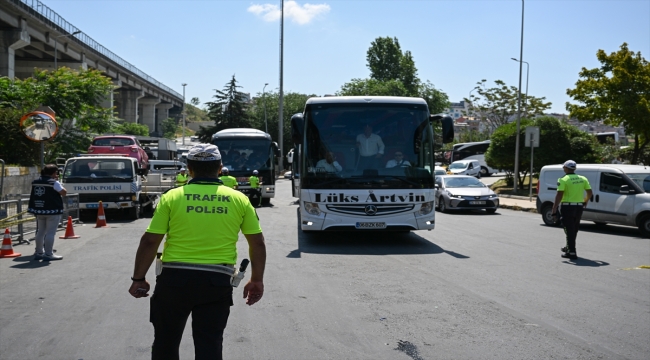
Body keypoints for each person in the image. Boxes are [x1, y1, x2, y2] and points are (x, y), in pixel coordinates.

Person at [128, 144, 266, 360]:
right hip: (217, 282)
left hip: (173, 281)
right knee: (209, 343)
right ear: (220, 168)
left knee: (165, 341)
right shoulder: (239, 199)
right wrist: (256, 279)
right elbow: (257, 243)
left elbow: (149, 241)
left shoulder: (172, 197)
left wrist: (138, 278)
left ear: (189, 169)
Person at [551, 160, 593, 260]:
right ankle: (569, 247)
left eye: (563, 167)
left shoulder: (563, 179)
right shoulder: (583, 178)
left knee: (568, 229)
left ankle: (572, 252)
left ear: (566, 168)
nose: (563, 168)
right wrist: (585, 201)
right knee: (574, 229)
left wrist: (554, 209)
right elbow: (590, 192)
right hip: (579, 207)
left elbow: (559, 195)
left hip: (567, 207)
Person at [27, 164, 67, 261]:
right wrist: (58, 182)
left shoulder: (36, 182)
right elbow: (64, 192)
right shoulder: (54, 182)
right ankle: (48, 254)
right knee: (50, 233)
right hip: (52, 211)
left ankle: (39, 252)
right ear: (54, 173)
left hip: (39, 210)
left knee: (40, 232)